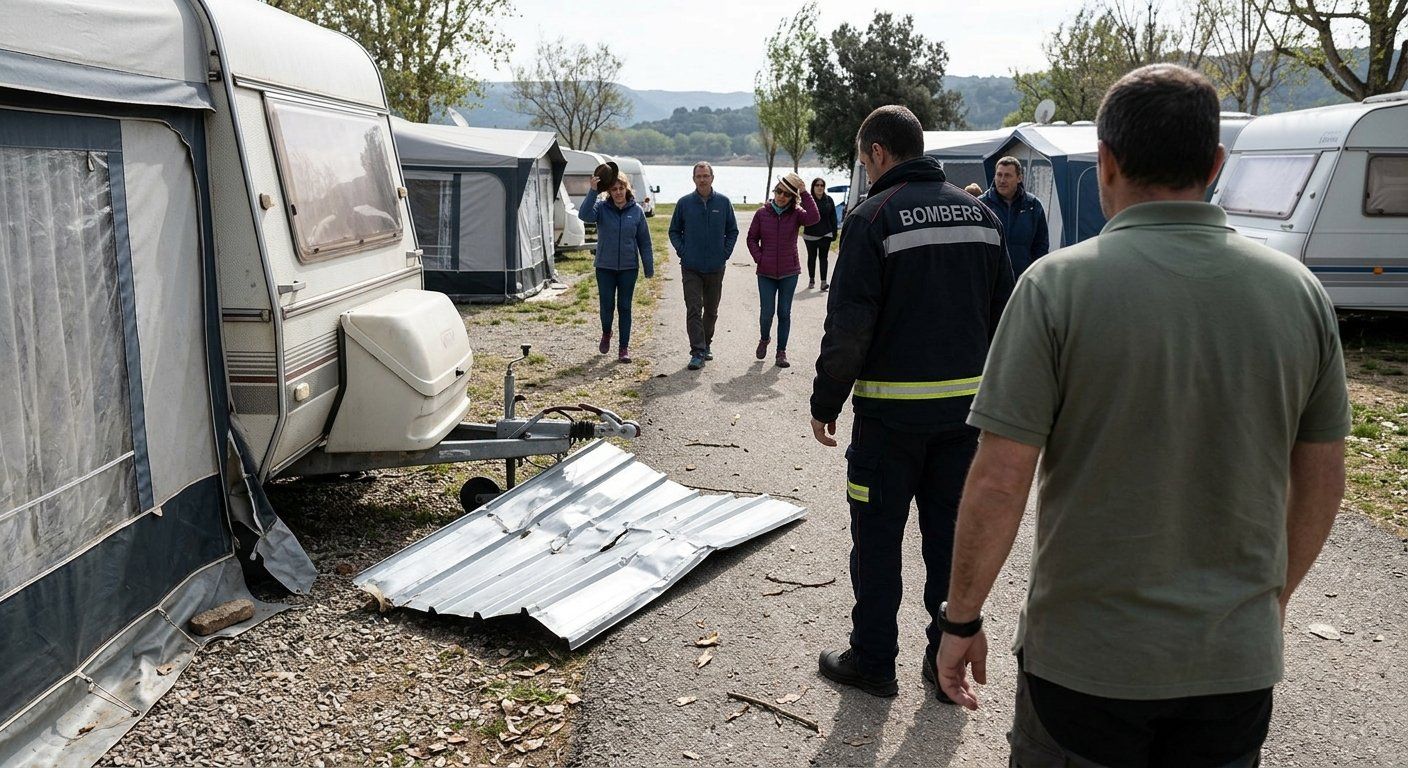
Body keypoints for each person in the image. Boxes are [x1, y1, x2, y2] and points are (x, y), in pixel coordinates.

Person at [937, 64, 1350, 767]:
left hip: (1084, 669)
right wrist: (1269, 602)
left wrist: (961, 618)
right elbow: (1323, 478)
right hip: (1233, 666)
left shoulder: (1054, 289)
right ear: (1216, 166)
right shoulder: (1300, 294)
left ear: (1106, 162)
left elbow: (1000, 480)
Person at [809, 105, 1014, 700]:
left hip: (889, 424)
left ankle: (873, 662)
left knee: (877, 543)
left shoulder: (872, 218)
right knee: (948, 541)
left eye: (862, 157)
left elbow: (849, 328)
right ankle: (940, 660)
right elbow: (1004, 320)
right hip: (963, 422)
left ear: (877, 153)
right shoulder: (981, 216)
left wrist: (826, 401)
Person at [578, 171, 654, 363]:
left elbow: (644, 241)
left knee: (625, 307)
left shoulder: (636, 211)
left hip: (629, 267)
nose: (618, 192)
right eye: (614, 189)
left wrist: (648, 266)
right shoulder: (601, 209)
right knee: (607, 305)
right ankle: (606, 333)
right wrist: (593, 191)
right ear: (609, 191)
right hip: (605, 266)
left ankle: (623, 348)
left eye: (621, 188)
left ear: (626, 189)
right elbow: (584, 215)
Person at [669, 162, 739, 370]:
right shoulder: (684, 203)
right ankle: (697, 351)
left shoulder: (724, 203)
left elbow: (732, 231)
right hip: (691, 266)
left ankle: (706, 344)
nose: (702, 179)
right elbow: (674, 231)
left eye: (705, 175)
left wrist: (724, 253)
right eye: (699, 176)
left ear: (712, 178)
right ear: (693, 179)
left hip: (716, 267)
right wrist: (683, 250)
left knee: (711, 310)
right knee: (693, 308)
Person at [746, 172, 819, 368]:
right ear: (774, 192)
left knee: (784, 312)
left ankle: (781, 352)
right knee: (767, 312)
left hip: (789, 272)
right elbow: (751, 238)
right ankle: (764, 338)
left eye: (786, 194)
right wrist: (760, 258)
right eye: (779, 191)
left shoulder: (796, 214)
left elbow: (814, 217)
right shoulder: (762, 213)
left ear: (792, 198)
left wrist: (804, 191)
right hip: (766, 273)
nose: (781, 196)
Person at [978, 157, 1049, 277]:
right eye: (999, 175)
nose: (1002, 180)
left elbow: (1041, 246)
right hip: (990, 281)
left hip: (1023, 279)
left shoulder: (1033, 205)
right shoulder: (982, 205)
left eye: (1007, 175)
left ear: (1019, 178)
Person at [802, 178, 838, 290]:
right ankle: (811, 280)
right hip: (810, 234)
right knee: (811, 257)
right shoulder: (808, 201)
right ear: (813, 187)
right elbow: (802, 216)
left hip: (825, 234)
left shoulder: (829, 200)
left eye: (822, 185)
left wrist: (834, 233)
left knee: (823, 258)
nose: (820, 187)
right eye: (817, 185)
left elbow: (833, 217)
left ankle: (823, 282)